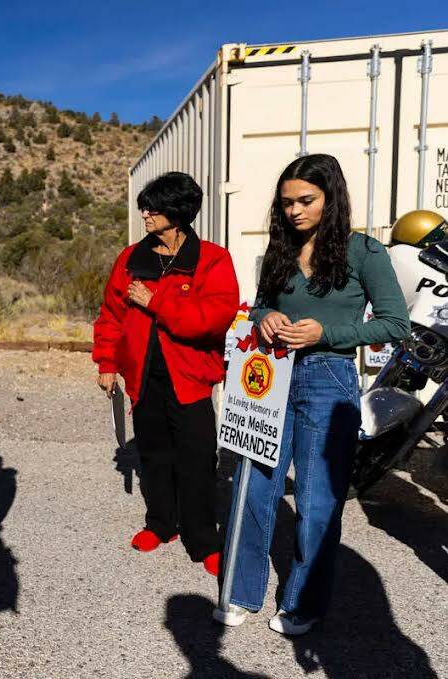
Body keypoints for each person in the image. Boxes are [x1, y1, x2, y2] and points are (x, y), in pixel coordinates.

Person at [213, 154, 409, 635]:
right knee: (253, 485)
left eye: (307, 201)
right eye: (286, 203)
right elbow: (258, 307)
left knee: (318, 499)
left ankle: (302, 602)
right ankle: (241, 592)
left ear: (331, 198)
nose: (295, 211)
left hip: (329, 378)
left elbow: (394, 323)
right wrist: (266, 320)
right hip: (270, 375)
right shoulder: (280, 250)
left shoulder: (364, 251)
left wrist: (326, 332)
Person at [92, 171, 239, 576]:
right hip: (144, 379)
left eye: (153, 207)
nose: (145, 213)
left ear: (178, 212)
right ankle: (161, 524)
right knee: (153, 456)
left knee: (196, 459)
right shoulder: (131, 259)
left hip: (189, 379)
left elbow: (213, 319)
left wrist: (157, 302)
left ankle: (203, 540)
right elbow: (111, 315)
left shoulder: (212, 259)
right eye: (145, 206)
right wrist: (107, 361)